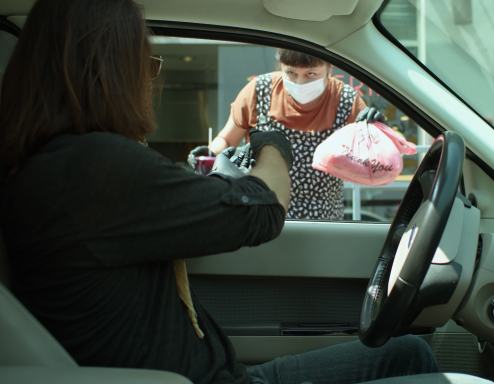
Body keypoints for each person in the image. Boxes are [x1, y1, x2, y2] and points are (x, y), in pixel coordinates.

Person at [0, 1, 437, 384]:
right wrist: (271, 147)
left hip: (222, 370)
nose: (150, 82)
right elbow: (262, 209)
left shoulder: (61, 168)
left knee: (410, 352)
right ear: (109, 71)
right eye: (145, 65)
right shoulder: (92, 166)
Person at [188, 49, 385, 220]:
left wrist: (374, 131)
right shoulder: (259, 91)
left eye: (311, 75)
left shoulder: (346, 99)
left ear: (329, 70)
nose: (300, 82)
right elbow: (227, 139)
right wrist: (210, 154)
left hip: (323, 218)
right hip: (260, 208)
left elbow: (370, 159)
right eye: (291, 73)